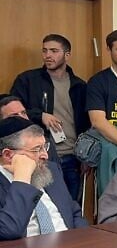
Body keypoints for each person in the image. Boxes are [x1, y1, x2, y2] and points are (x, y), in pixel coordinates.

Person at [10, 34, 89, 202]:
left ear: (67, 55)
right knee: (42, 207)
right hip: (39, 158)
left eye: (54, 51)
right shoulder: (27, 80)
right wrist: (40, 115)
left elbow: (86, 123)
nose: (48, 55)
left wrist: (85, 157)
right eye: (45, 51)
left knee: (70, 207)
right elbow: (12, 115)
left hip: (72, 157)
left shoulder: (80, 86)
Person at [0, 117, 87, 240]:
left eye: (44, 147)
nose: (45, 155)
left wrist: (81, 241)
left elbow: (73, 212)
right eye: (36, 149)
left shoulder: (49, 169)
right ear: (8, 155)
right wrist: (22, 179)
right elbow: (9, 231)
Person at [0, 95, 59, 163]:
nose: (23, 118)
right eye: (14, 115)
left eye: (23, 113)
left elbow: (55, 171)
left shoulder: (45, 144)